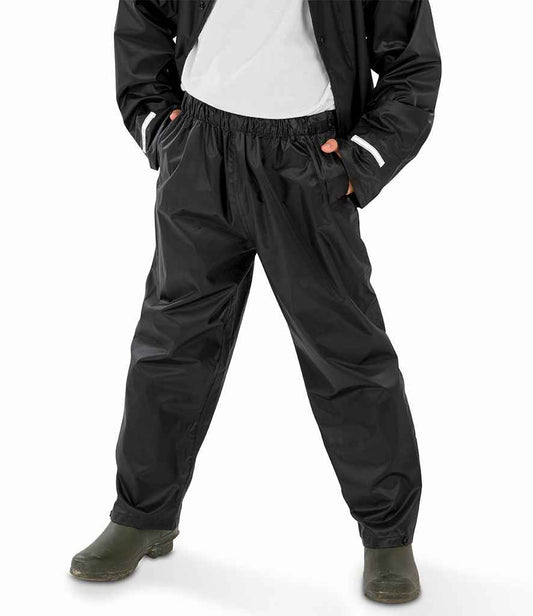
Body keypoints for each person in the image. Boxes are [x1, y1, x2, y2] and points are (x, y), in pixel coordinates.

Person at [70, 0, 440, 604]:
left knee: (347, 352)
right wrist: (158, 126)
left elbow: (412, 64)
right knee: (171, 344)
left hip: (309, 161)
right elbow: (142, 18)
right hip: (199, 147)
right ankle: (142, 514)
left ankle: (388, 535)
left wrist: (359, 163)